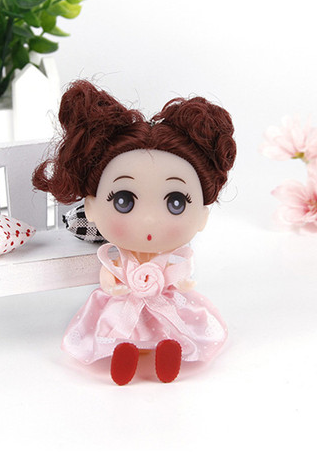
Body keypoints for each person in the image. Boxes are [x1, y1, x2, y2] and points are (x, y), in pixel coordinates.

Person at [32, 80, 237, 384]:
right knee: (118, 324)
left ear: (202, 216)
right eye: (124, 201)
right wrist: (114, 285)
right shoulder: (117, 257)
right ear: (91, 207)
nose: (150, 221)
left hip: (165, 298)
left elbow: (180, 273)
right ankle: (123, 350)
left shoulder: (172, 253)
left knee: (174, 322)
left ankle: (169, 348)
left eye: (176, 202)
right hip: (124, 299)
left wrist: (179, 281)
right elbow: (109, 276)